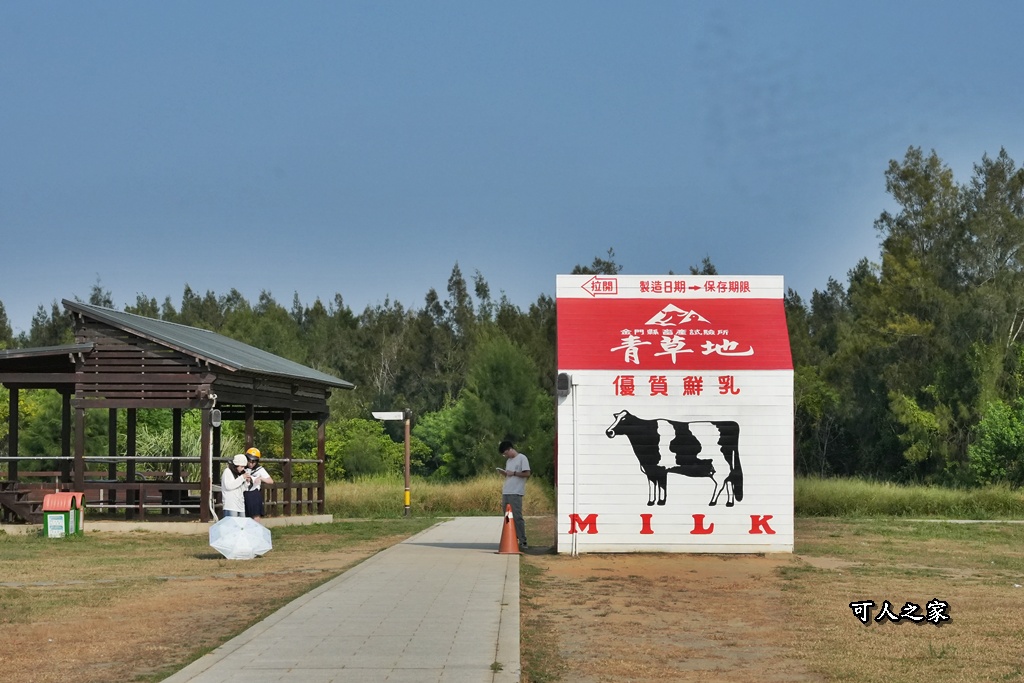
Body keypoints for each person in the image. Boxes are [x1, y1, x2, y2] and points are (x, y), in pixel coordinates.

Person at [498, 440, 531, 549]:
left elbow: (527, 473)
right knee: (507, 517)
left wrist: (514, 473)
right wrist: (505, 473)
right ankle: (512, 538)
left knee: (517, 517)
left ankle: (523, 540)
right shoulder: (509, 461)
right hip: (506, 491)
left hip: (516, 492)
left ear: (510, 449)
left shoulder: (522, 458)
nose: (506, 456)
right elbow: (509, 475)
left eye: (506, 453)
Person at [243, 447, 274, 523]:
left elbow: (270, 481)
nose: (251, 464)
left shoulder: (260, 469)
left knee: (255, 514)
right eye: (249, 461)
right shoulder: (243, 467)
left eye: (253, 462)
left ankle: (256, 530)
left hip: (254, 493)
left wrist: (261, 478)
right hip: (244, 492)